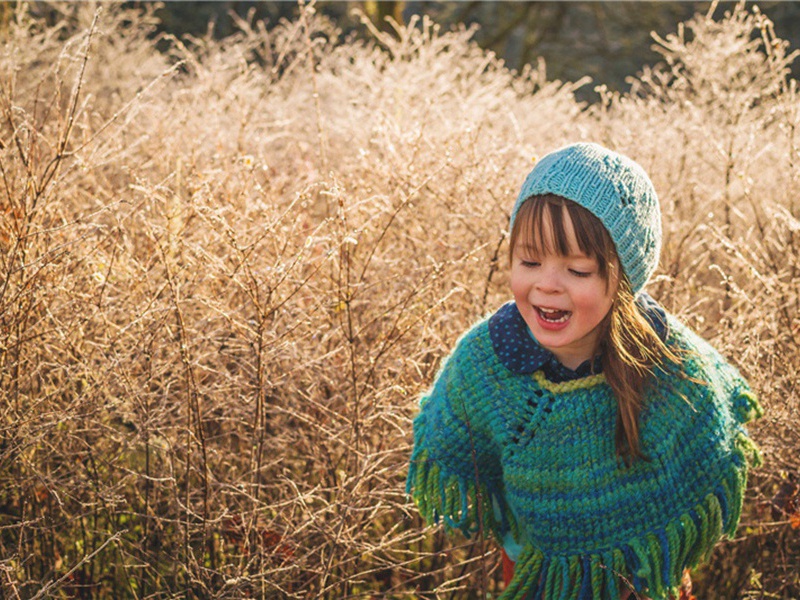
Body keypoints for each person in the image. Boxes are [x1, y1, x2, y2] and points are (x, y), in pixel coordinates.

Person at [406, 142, 763, 600]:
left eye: (577, 269)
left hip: (646, 585)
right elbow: (461, 451)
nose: (547, 285)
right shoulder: (488, 359)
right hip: (534, 580)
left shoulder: (667, 363)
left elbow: (711, 444)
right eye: (529, 261)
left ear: (624, 278)